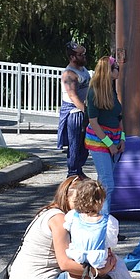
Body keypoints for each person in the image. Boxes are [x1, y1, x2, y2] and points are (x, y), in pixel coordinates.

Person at [9, 176, 117, 279]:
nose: (86, 204)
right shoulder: (60, 221)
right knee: (93, 277)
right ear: (66, 196)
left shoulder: (49, 211)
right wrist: (100, 271)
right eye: (81, 198)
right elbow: (65, 264)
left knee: (89, 267)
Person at [64, 178, 138, 279]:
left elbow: (69, 231)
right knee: (116, 266)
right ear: (101, 201)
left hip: (76, 256)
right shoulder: (108, 221)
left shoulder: (72, 216)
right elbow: (111, 243)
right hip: (97, 260)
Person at [84, 56, 125, 217]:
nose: (118, 70)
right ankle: (104, 223)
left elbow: (119, 117)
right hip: (99, 141)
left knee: (104, 182)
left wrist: (123, 139)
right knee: (107, 183)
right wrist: (109, 144)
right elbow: (93, 122)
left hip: (114, 139)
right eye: (116, 67)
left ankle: (100, 219)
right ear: (108, 71)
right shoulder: (94, 92)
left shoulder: (112, 90)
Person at [57, 42, 91, 178]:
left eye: (84, 53)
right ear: (72, 57)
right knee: (75, 145)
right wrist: (88, 113)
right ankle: (72, 174)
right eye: (80, 54)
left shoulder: (83, 70)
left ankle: (78, 171)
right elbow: (74, 97)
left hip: (83, 110)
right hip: (74, 114)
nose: (83, 56)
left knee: (85, 146)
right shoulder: (69, 74)